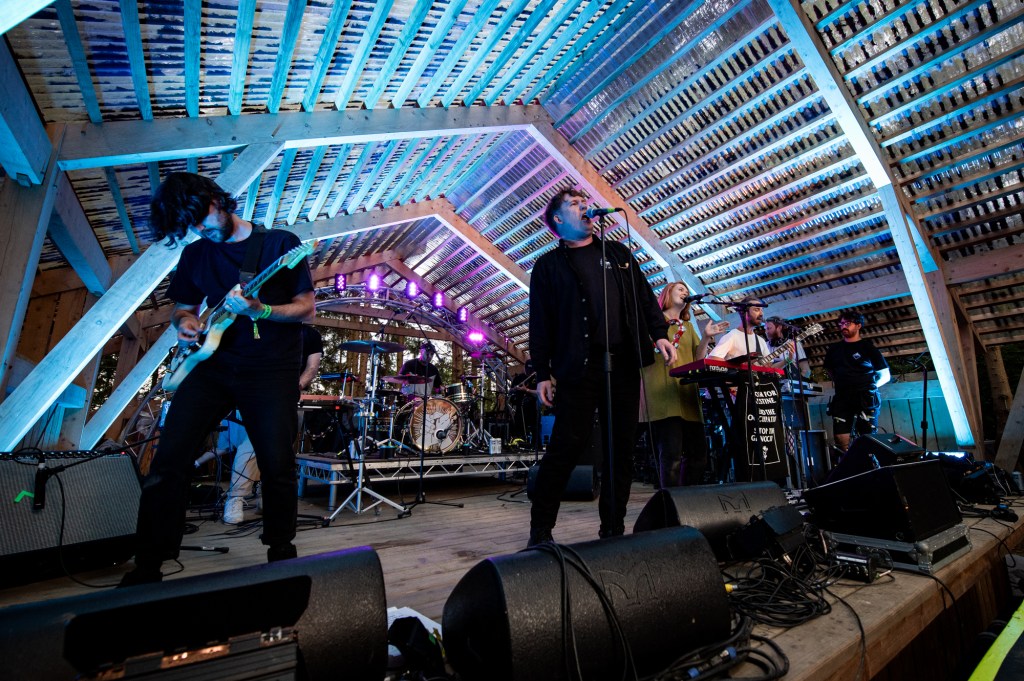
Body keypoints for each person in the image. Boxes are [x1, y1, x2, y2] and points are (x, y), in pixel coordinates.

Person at [120, 172, 314, 586]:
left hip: (270, 368)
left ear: (216, 199)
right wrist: (187, 322)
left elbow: (305, 310)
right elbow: (183, 309)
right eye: (189, 226)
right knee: (169, 458)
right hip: (211, 365)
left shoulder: (281, 245)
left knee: (277, 463)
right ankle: (149, 563)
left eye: (200, 218)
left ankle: (281, 552)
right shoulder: (195, 255)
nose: (199, 229)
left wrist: (260, 311)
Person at [528, 189, 677, 547]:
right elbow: (540, 322)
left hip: (623, 364)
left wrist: (659, 334)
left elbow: (644, 297)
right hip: (580, 368)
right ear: (559, 220)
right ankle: (541, 531)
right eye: (575, 204)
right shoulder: (548, 266)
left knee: (620, 450)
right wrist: (543, 371)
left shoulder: (619, 254)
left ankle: (612, 529)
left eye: (585, 201)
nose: (585, 207)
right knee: (566, 447)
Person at [640, 282, 729, 487]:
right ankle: (670, 506)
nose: (685, 292)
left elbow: (698, 358)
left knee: (699, 456)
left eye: (686, 290)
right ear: (667, 294)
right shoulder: (653, 321)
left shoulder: (688, 326)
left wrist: (706, 337)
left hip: (687, 396)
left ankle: (688, 501)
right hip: (662, 395)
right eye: (680, 289)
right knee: (671, 456)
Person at [822, 309, 890, 453]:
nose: (843, 326)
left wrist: (869, 386)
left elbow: (885, 375)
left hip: (865, 397)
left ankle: (868, 466)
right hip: (842, 397)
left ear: (858, 325)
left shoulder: (867, 347)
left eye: (848, 323)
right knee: (840, 437)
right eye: (841, 324)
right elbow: (829, 369)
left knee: (867, 437)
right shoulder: (834, 349)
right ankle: (847, 464)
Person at [764, 316, 811, 381]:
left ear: (779, 328)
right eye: (765, 329)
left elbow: (807, 371)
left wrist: (800, 383)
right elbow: (766, 369)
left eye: (769, 328)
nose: (766, 331)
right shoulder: (764, 345)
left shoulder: (794, 343)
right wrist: (788, 360)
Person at [509, 359, 539, 448]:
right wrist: (515, 389)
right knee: (518, 427)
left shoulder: (536, 378)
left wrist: (526, 390)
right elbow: (510, 391)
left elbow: (539, 393)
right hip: (519, 408)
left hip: (532, 407)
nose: (529, 371)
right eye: (528, 369)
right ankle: (518, 445)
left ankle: (534, 446)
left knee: (534, 428)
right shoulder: (519, 378)